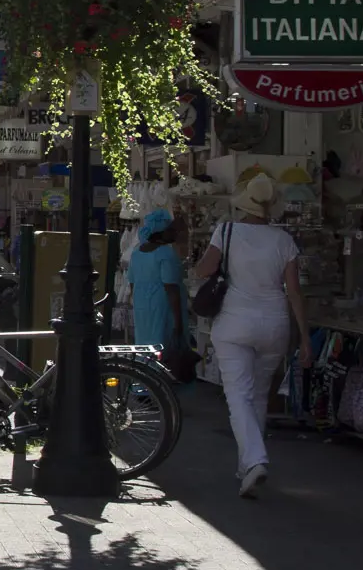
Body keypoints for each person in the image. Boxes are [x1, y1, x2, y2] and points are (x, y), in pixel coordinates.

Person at [191, 174, 312, 498]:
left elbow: (203, 270)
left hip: (234, 324)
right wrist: (305, 336)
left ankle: (256, 459)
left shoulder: (226, 231)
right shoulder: (283, 240)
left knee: (238, 396)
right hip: (274, 324)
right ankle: (246, 466)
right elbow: (295, 292)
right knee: (258, 395)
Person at [128, 209, 184, 350]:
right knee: (162, 346)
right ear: (162, 232)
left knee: (144, 346)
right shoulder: (166, 254)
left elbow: (132, 284)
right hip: (161, 306)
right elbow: (171, 288)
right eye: (171, 230)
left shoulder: (136, 254)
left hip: (141, 306)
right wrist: (178, 321)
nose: (174, 233)